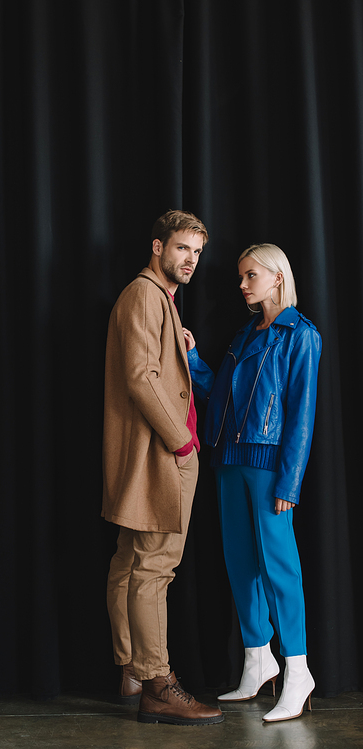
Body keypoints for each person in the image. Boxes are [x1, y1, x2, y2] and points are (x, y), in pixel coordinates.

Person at [102, 210, 222, 726]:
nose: (190, 260)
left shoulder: (159, 301)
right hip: (161, 455)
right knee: (156, 568)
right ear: (158, 247)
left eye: (197, 252)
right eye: (181, 249)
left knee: (131, 561)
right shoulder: (145, 294)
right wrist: (183, 442)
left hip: (151, 453)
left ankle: (131, 669)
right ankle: (158, 684)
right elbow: (140, 378)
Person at [197, 243, 321, 723]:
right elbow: (219, 396)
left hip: (270, 465)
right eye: (242, 276)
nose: (243, 284)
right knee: (240, 560)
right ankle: (257, 658)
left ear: (277, 277)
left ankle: (298, 670)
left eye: (251, 275)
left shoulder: (300, 335)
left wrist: (289, 482)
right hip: (229, 458)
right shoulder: (246, 334)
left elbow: (301, 417)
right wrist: (192, 360)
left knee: (279, 567)